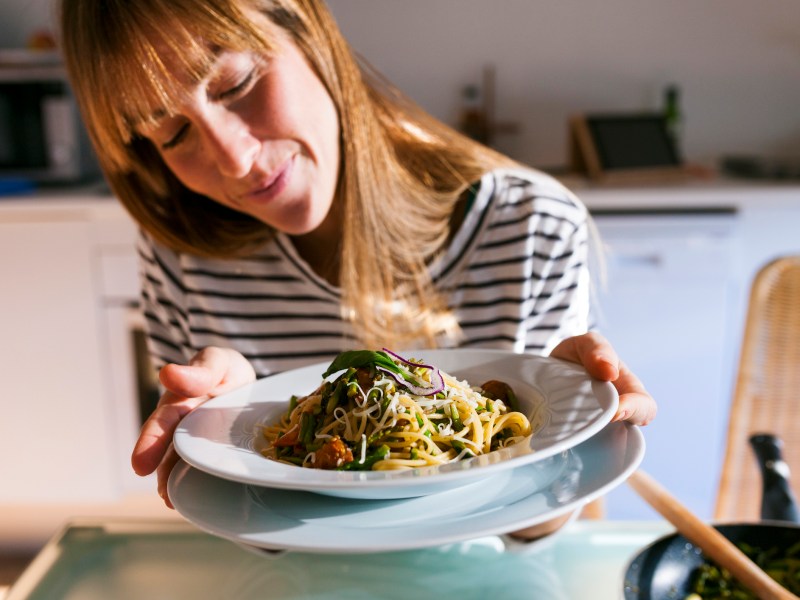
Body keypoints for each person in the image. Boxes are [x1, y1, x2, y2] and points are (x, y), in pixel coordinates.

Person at [59, 0, 656, 529]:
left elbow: (535, 529)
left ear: (309, 28)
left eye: (235, 83)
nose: (235, 160)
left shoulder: (530, 226)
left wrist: (565, 433)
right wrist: (230, 443)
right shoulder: (180, 251)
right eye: (173, 133)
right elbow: (248, 537)